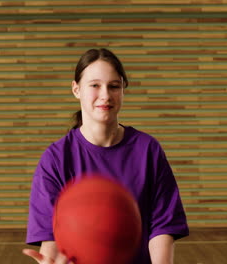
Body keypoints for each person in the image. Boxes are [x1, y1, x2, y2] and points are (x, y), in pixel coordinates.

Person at [23, 48, 189, 264]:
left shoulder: (148, 150)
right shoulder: (55, 159)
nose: (105, 95)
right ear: (76, 89)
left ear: (123, 90)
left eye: (114, 86)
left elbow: (162, 227)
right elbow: (51, 237)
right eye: (95, 85)